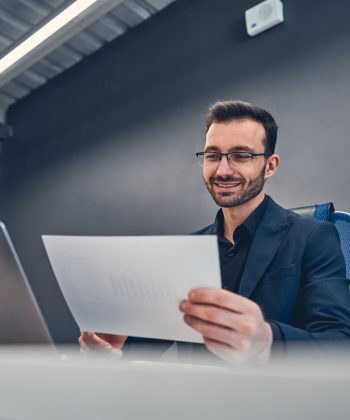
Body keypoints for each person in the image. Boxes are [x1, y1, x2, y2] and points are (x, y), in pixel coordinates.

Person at [79, 100, 350, 364]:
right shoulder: (184, 252)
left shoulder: (314, 236)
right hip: (196, 405)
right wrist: (110, 352)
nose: (222, 170)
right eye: (213, 155)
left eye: (241, 156)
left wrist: (267, 339)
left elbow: (340, 343)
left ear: (270, 166)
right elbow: (142, 347)